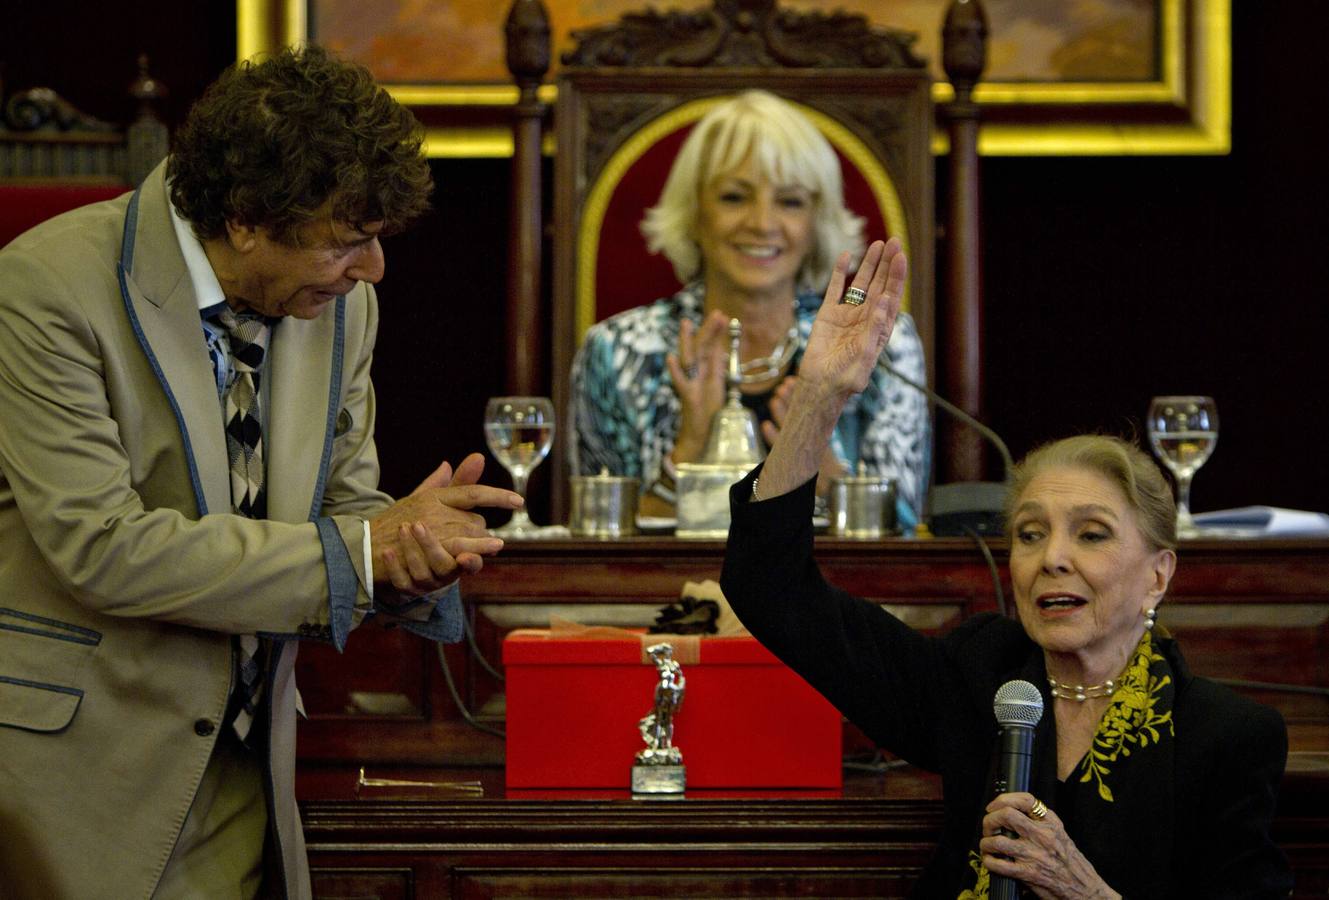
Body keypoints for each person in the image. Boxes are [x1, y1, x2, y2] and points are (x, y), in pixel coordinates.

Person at [0, 46, 523, 899]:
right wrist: (360, 551)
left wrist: (412, 552)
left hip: (246, 774)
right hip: (80, 780)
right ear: (245, 217)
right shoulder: (45, 287)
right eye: (348, 242)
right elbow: (99, 547)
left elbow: (346, 510)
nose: (373, 271)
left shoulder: (343, 306)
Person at [720, 238, 1293, 898]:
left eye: (1091, 534)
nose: (1052, 558)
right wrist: (819, 396)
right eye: (1029, 534)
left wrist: (1084, 892)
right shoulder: (975, 681)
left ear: (1157, 575)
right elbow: (771, 589)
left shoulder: (1225, 738)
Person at [569, 90, 929, 530]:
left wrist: (817, 456)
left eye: (790, 201)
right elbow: (598, 544)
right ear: (696, 212)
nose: (761, 222)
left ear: (817, 221)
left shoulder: (881, 343)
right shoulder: (615, 350)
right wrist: (689, 447)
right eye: (735, 197)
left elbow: (907, 536)